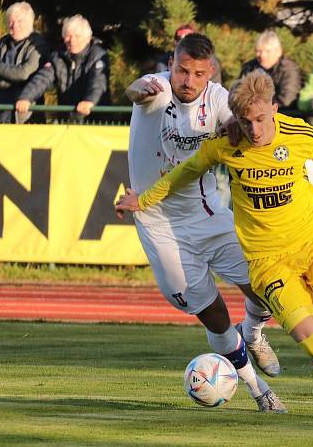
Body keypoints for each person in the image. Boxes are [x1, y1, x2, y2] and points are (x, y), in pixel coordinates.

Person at [116, 70, 313, 424]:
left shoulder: (299, 134)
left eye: (262, 119)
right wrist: (143, 200)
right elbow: (183, 173)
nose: (255, 129)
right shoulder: (225, 144)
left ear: (275, 109)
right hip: (267, 263)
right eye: (246, 122)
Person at [120, 34, 285, 413]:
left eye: (197, 73)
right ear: (171, 64)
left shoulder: (219, 100)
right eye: (181, 70)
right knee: (212, 314)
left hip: (208, 214)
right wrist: (140, 87)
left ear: (209, 71)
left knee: (265, 286)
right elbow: (137, 91)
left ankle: (255, 334)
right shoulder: (157, 88)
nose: (187, 80)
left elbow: (243, 127)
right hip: (159, 224)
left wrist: (239, 130)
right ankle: (259, 391)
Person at [15, 15, 110, 123]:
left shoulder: (98, 56)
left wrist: (89, 102)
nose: (72, 40)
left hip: (96, 123)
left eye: (77, 36)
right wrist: (26, 97)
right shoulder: (57, 57)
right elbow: (42, 79)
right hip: (66, 123)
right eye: (68, 36)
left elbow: (98, 83)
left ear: (88, 38)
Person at [0, 1, 48, 123]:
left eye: (20, 21)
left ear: (30, 23)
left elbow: (23, 73)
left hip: (24, 118)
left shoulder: (38, 45)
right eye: (11, 21)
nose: (14, 25)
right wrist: (8, 84)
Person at [239, 30, 302, 111]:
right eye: (258, 51)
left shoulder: (289, 70)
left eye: (267, 51)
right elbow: (239, 94)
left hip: (282, 116)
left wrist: (258, 105)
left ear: (278, 52)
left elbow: (286, 101)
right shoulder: (249, 67)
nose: (262, 55)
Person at [154, 24, 223, 84]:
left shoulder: (211, 62)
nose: (185, 44)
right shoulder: (163, 63)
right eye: (179, 39)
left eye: (198, 74)